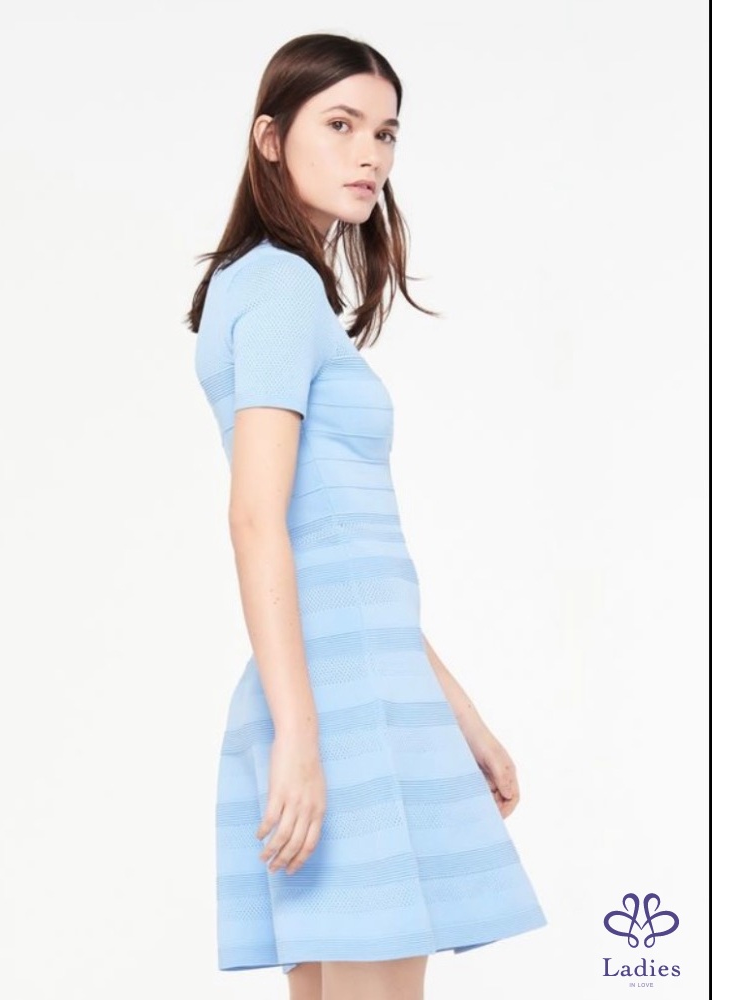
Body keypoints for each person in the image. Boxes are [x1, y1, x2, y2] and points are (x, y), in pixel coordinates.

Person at [186, 33, 548, 1000]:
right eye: (340, 125)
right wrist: (303, 738)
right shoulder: (276, 284)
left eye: (385, 133)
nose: (369, 155)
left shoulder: (269, 286)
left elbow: (342, 557)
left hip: (349, 686)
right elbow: (255, 520)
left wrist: (461, 716)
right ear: (270, 138)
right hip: (340, 707)